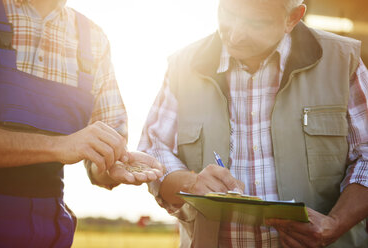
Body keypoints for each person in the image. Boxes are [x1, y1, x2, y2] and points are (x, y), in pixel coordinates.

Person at [138, 0, 368, 247]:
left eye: (256, 23)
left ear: (293, 18)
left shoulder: (343, 62)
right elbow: (154, 150)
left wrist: (334, 222)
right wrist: (190, 182)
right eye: (228, 13)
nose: (235, 35)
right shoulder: (182, 67)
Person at [0, 0, 164, 247]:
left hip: (49, 234)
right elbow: (69, 146)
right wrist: (61, 146)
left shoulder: (94, 40)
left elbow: (102, 154)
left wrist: (110, 164)